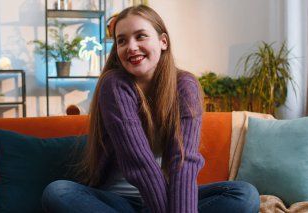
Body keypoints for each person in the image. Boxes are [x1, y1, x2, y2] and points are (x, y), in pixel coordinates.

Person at [42, 4, 260, 213]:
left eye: (140, 36)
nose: (131, 47)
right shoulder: (115, 85)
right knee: (57, 192)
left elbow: (183, 161)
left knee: (245, 195)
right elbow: (140, 163)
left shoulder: (185, 85)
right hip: (118, 203)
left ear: (163, 41)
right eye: (122, 41)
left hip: (170, 197)